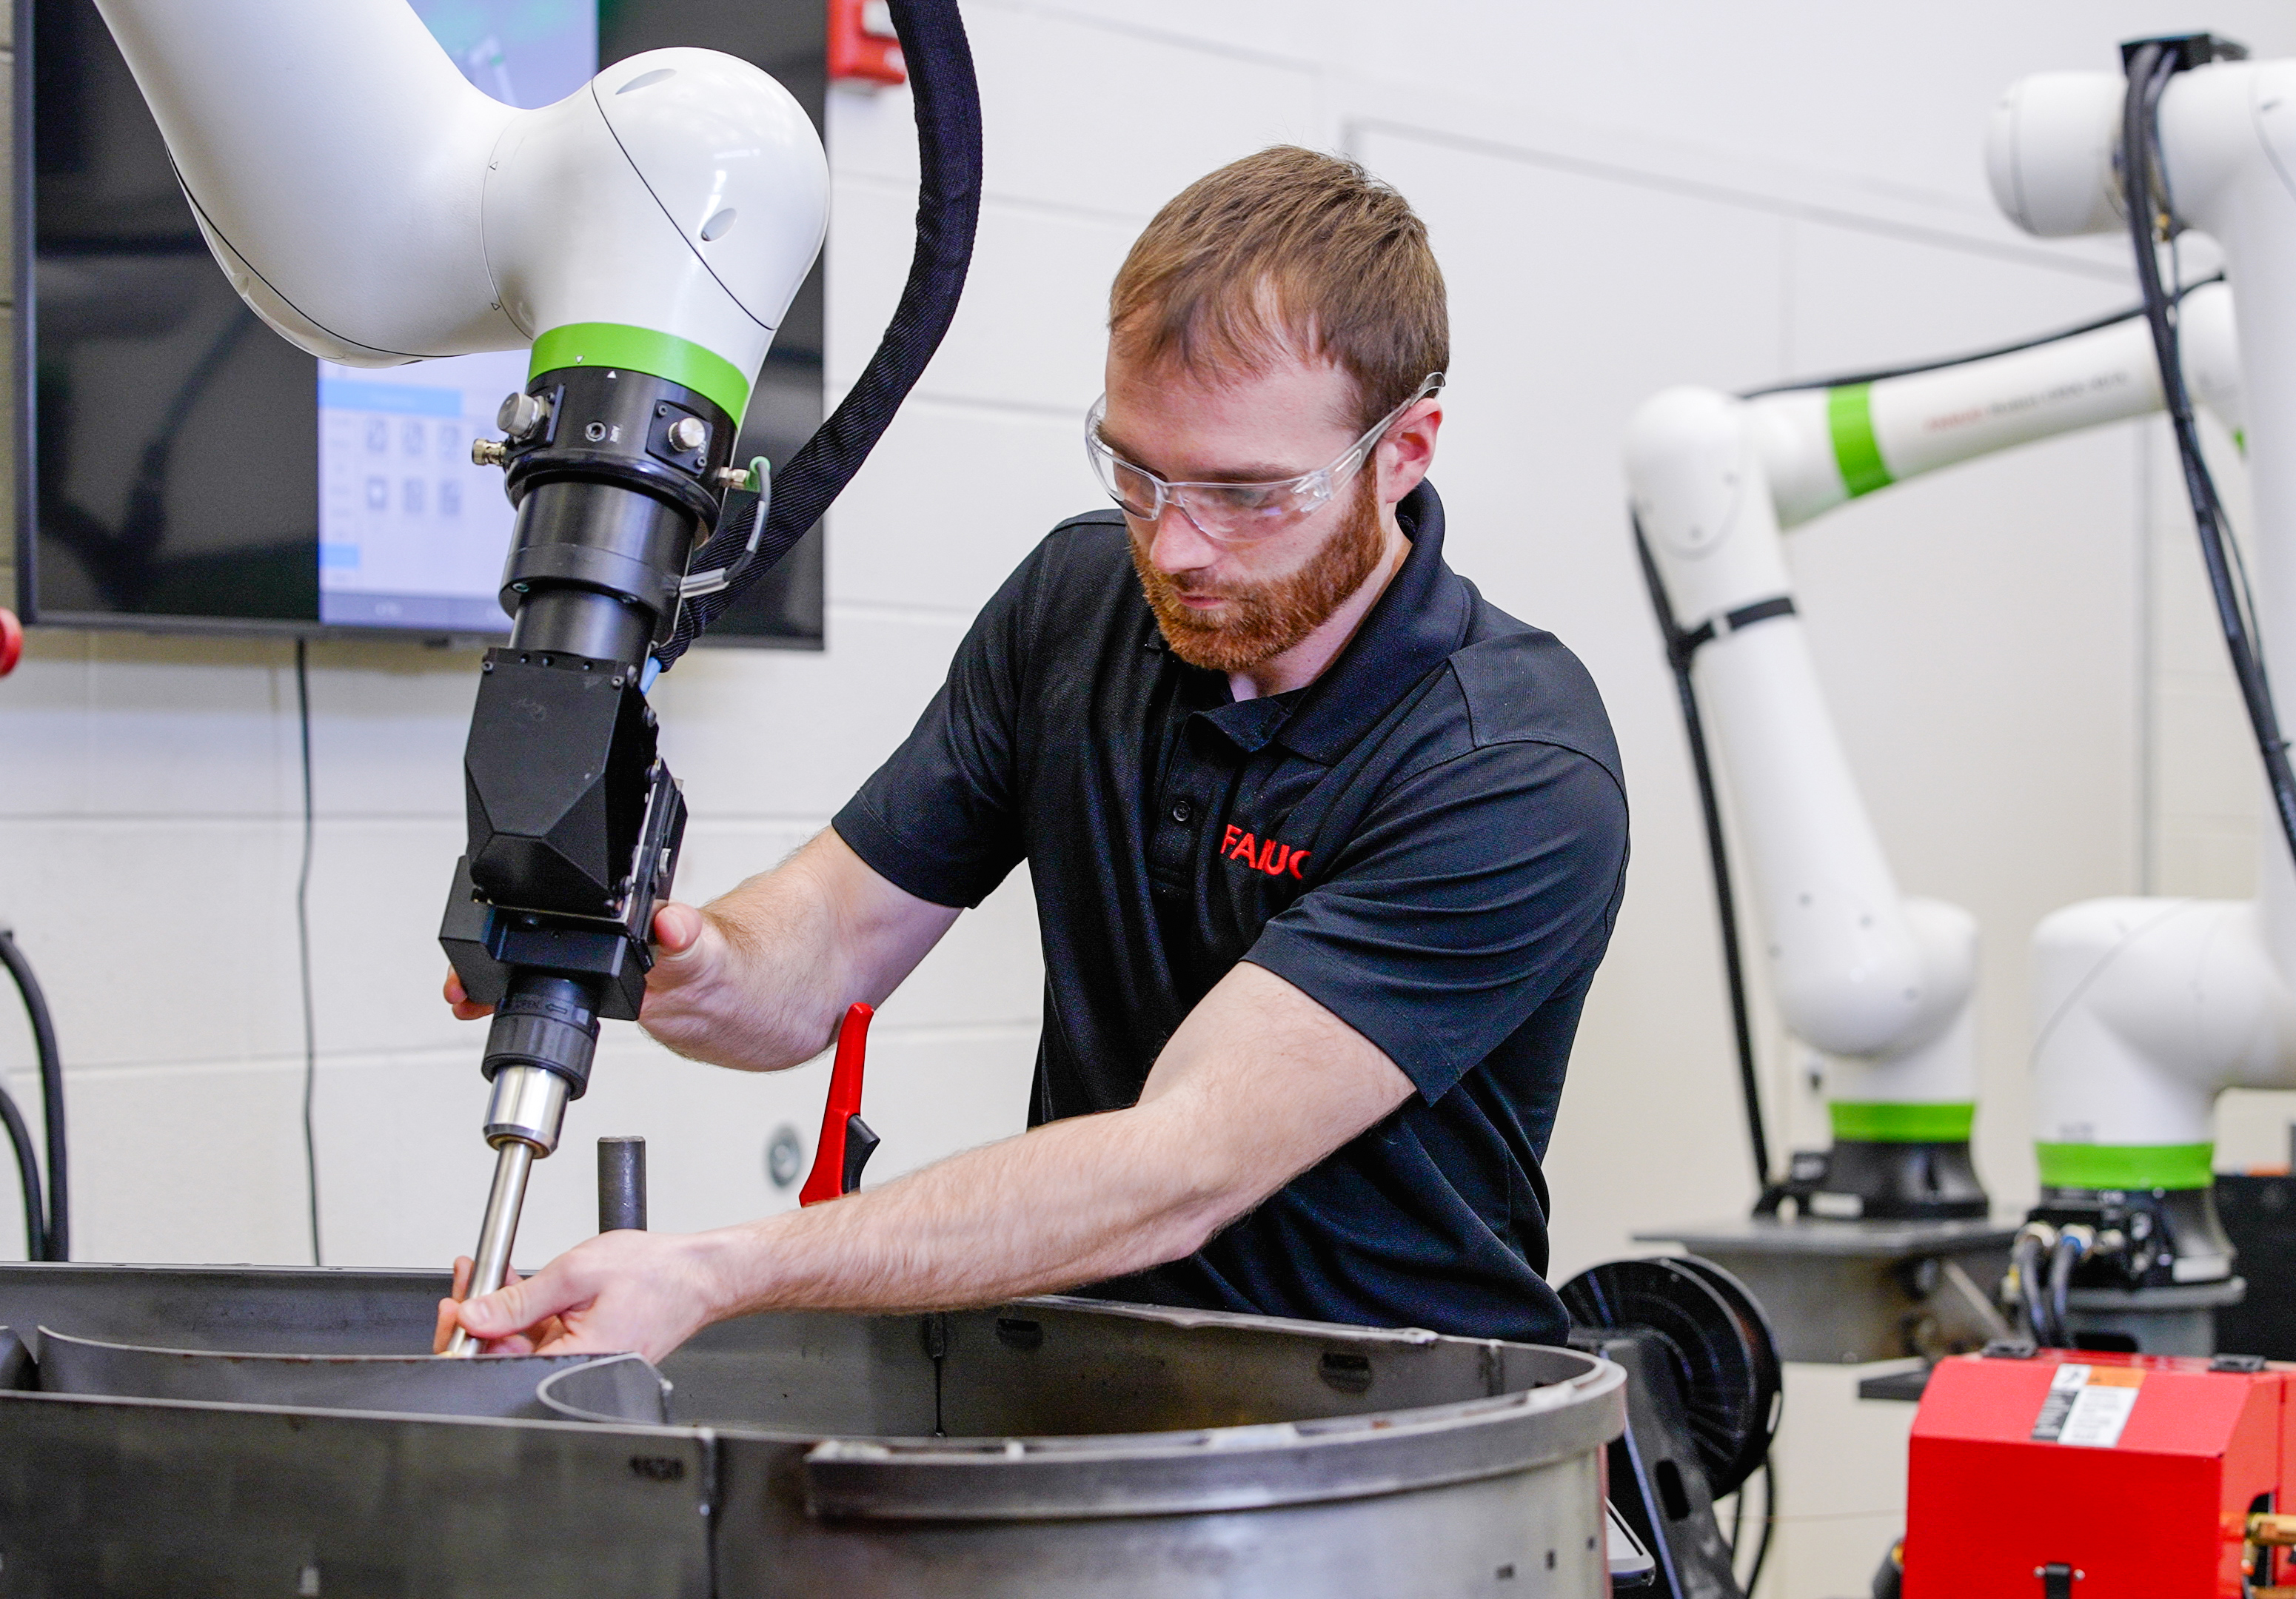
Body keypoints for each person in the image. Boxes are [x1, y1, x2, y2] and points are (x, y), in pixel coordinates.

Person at [439, 147, 1629, 1362]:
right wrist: (675, 962)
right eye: (1137, 470)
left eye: (1245, 492)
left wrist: (717, 1272)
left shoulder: (1510, 762)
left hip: (1403, 1453)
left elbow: (1177, 1168)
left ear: (1406, 449)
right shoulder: (1079, 603)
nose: (1173, 548)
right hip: (1090, 1408)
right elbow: (831, 947)